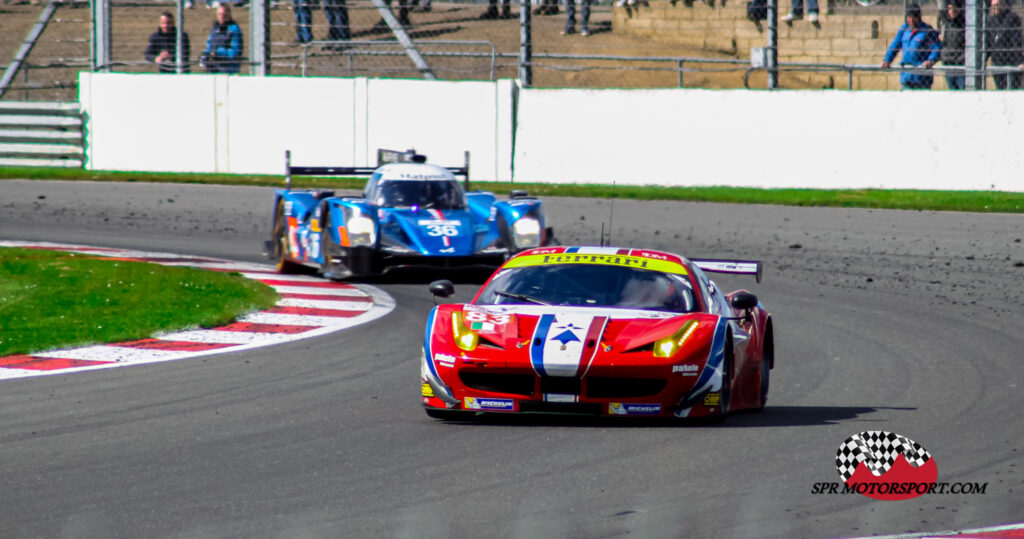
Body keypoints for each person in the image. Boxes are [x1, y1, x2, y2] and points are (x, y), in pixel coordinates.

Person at [881, 3, 941, 90]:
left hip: (922, 78)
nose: (911, 20)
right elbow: (894, 46)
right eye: (909, 17)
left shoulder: (927, 31)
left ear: (919, 17)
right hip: (906, 76)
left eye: (914, 17)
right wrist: (887, 60)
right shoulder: (903, 30)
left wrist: (930, 61)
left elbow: (937, 48)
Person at [987, 0, 1023, 89]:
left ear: (1003, 4)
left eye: (998, 5)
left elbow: (1016, 42)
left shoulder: (1012, 18)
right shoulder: (992, 21)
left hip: (1011, 62)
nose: (996, 8)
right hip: (997, 62)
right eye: (994, 5)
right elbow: (989, 42)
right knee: (1000, 89)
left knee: (1012, 89)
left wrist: (1020, 61)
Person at [201, 4, 243, 73]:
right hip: (212, 68)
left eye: (224, 14)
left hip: (227, 69)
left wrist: (218, 53)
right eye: (219, 14)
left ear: (229, 15)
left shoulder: (234, 30)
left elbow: (235, 52)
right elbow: (209, 45)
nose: (221, 16)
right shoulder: (215, 29)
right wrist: (205, 54)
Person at [940, 0, 966, 90]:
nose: (952, 11)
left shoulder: (965, 25)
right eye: (950, 9)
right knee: (952, 93)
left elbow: (967, 48)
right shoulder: (946, 24)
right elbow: (944, 44)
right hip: (949, 65)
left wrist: (959, 58)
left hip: (961, 67)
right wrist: (944, 57)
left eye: (954, 9)